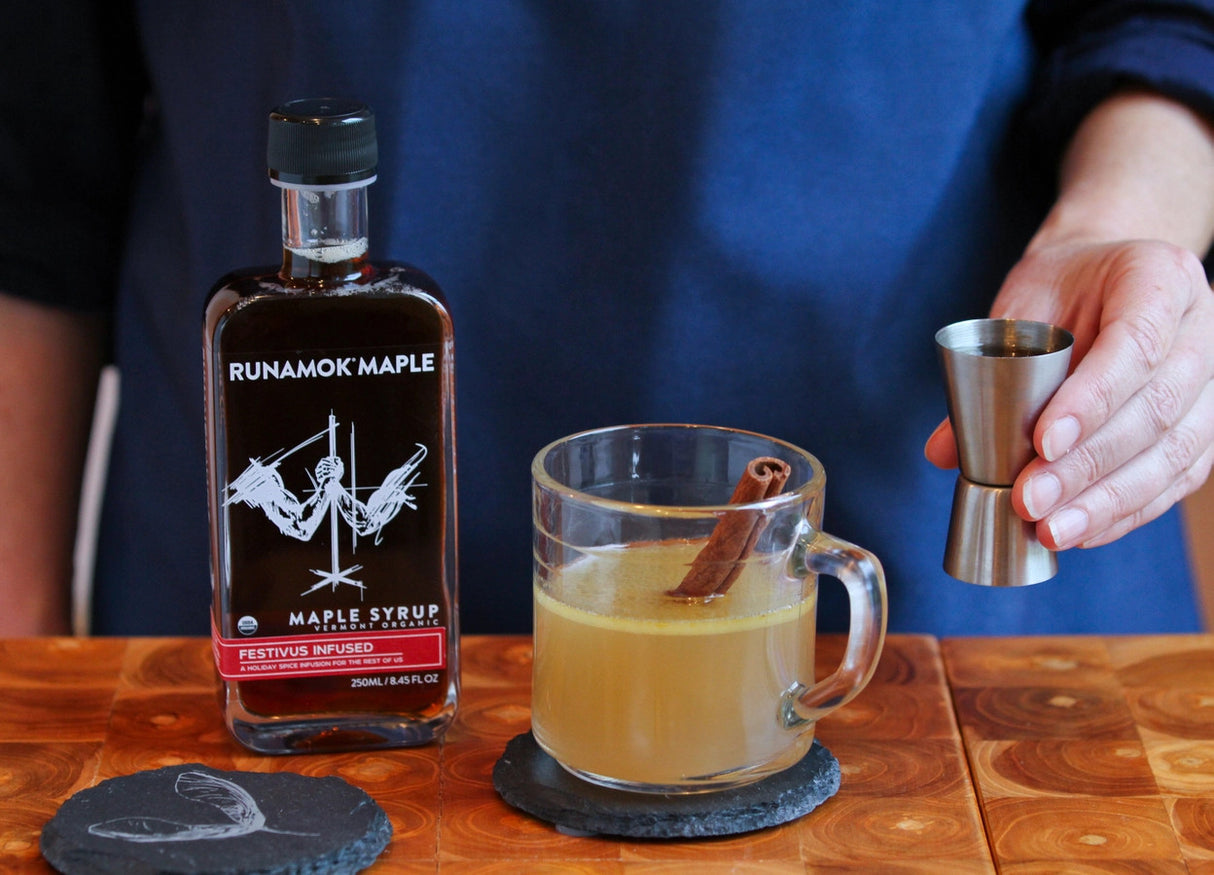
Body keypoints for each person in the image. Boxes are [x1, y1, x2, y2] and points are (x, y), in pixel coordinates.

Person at [1, 2, 1212, 637]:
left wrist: (1118, 225)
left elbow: (1167, 17)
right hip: (289, 643)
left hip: (926, 593)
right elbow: (31, 150)